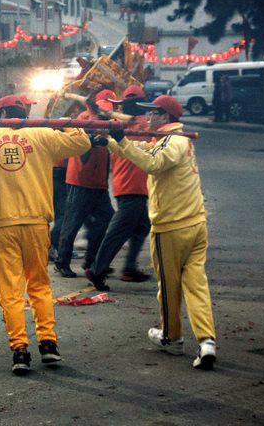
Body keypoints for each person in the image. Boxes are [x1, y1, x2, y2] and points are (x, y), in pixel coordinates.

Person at [0, 95, 93, 375]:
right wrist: (65, 122)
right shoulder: (42, 133)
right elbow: (83, 142)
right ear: (23, 113)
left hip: (3, 226)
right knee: (39, 285)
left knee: (11, 291)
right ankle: (48, 344)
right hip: (36, 224)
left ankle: (20, 350)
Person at [106, 94, 217, 370]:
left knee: (168, 287)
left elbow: (150, 163)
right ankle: (206, 341)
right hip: (195, 224)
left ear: (164, 117)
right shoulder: (179, 141)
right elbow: (143, 152)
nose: (147, 118)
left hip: (172, 227)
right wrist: (110, 142)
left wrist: (120, 141)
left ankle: (172, 337)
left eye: (152, 114)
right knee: (196, 285)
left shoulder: (171, 142)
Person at [86, 84, 153, 290]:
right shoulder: (142, 124)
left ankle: (129, 268)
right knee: (117, 231)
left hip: (128, 182)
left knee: (142, 227)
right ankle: (97, 269)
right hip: (133, 184)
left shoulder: (120, 124)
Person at [53, 89, 115, 279]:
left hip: (99, 183)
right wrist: (92, 137)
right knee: (72, 223)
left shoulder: (110, 121)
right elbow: (77, 136)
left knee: (107, 220)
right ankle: (62, 262)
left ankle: (92, 259)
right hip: (80, 180)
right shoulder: (83, 119)